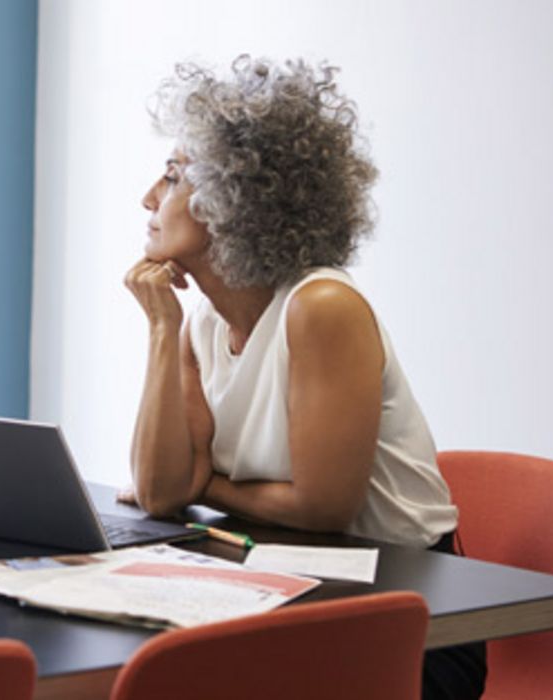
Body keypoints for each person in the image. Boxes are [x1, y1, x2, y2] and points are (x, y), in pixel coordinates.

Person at [123, 56, 486, 700]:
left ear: (233, 198)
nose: (150, 195)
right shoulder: (199, 322)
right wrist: (159, 328)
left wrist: (205, 482)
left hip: (408, 619)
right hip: (291, 589)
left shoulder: (321, 309)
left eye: (174, 176)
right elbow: (158, 492)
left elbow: (323, 509)